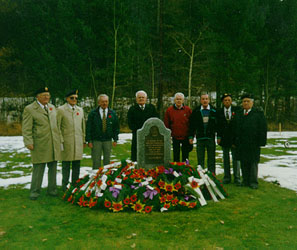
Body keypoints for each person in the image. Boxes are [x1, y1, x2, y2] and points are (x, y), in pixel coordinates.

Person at [22, 87, 61, 200]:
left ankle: (52, 190)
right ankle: (35, 191)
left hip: (53, 142)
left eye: (48, 95)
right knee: (39, 168)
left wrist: (59, 140)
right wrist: (28, 141)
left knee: (53, 167)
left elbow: (56, 126)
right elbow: (26, 128)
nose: (46, 97)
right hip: (40, 143)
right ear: (37, 96)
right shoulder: (30, 109)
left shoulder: (52, 108)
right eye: (44, 95)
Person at [235, 93, 267, 189]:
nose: (245, 103)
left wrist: (262, 141)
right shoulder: (239, 113)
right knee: (244, 162)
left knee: (253, 163)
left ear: (252, 103)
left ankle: (253, 182)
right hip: (242, 143)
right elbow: (235, 128)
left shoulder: (258, 114)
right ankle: (245, 181)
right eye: (244, 101)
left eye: (248, 101)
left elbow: (263, 128)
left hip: (253, 143)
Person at [57, 89, 85, 191]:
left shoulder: (80, 110)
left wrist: (84, 139)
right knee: (66, 165)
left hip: (77, 141)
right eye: (72, 98)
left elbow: (83, 126)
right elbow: (57, 126)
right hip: (66, 141)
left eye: (76, 98)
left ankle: (75, 184)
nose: (74, 100)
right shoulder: (61, 110)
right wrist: (60, 140)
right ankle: (64, 185)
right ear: (67, 98)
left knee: (77, 164)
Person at [86, 94, 119, 169]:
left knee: (107, 162)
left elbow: (116, 127)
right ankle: (96, 178)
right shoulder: (93, 113)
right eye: (102, 101)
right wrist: (89, 140)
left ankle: (106, 178)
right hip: (96, 140)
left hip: (107, 140)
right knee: (96, 161)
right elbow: (88, 127)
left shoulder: (112, 113)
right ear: (99, 102)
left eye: (106, 101)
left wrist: (115, 139)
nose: (104, 103)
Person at [188, 93, 217, 174]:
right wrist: (191, 136)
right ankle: (200, 175)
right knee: (200, 159)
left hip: (210, 138)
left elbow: (218, 125)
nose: (205, 100)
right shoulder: (196, 111)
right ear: (200, 100)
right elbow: (192, 125)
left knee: (211, 158)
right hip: (200, 138)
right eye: (203, 99)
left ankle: (212, 175)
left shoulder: (214, 111)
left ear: (209, 100)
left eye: (206, 99)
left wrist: (219, 137)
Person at [217, 93, 241, 185]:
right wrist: (218, 137)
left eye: (229, 100)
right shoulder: (219, 112)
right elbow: (218, 126)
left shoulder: (237, 110)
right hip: (224, 138)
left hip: (234, 138)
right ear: (223, 102)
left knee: (236, 158)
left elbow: (238, 125)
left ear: (231, 101)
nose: (227, 102)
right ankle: (227, 177)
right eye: (225, 100)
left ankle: (237, 178)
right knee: (226, 158)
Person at [127, 90, 158, 161]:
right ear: (136, 99)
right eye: (139, 97)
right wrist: (140, 130)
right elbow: (130, 123)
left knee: (149, 154)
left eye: (142, 97)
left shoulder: (151, 108)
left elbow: (156, 120)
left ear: (146, 99)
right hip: (137, 134)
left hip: (150, 135)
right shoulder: (132, 109)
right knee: (136, 153)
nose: (141, 99)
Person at [164, 92, 192, 162]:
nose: (179, 101)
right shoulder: (169, 110)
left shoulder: (188, 110)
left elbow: (191, 124)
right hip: (174, 136)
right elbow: (166, 124)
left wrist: (191, 136)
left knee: (185, 156)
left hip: (185, 136)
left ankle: (185, 170)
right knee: (176, 155)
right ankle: (176, 171)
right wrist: (168, 136)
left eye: (180, 99)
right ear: (174, 100)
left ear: (183, 100)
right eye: (177, 99)